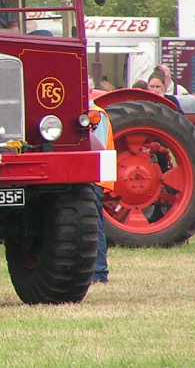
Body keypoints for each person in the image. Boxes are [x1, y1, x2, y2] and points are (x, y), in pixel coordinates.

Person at [89, 77, 111, 284]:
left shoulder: (97, 115)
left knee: (96, 224)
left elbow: (99, 148)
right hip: (90, 174)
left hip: (95, 176)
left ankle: (100, 272)